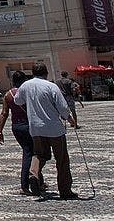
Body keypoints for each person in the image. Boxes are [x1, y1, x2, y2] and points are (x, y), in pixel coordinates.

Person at [20, 63, 79, 199]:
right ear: (46, 73)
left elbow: (17, 100)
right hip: (54, 129)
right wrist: (70, 119)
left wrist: (29, 108)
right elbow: (62, 107)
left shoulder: (26, 85)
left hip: (35, 128)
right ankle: (65, 190)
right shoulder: (51, 86)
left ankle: (34, 174)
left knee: (39, 155)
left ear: (33, 73)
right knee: (62, 159)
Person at [0, 71, 33, 195]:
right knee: (30, 153)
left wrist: (0, 131)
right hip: (28, 125)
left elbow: (4, 113)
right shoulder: (26, 92)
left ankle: (38, 180)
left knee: (30, 152)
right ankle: (25, 184)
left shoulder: (8, 95)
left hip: (16, 126)